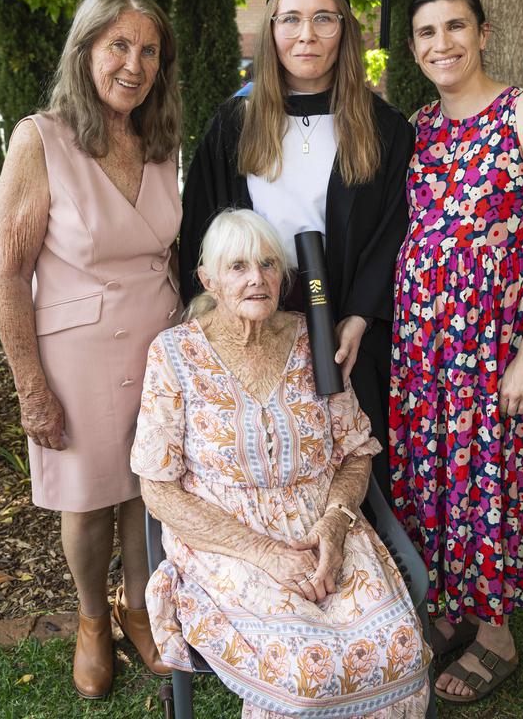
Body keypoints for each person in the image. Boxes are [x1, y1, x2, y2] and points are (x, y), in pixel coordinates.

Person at [132, 208, 431, 719]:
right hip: (227, 540)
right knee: (306, 671)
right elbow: (158, 489)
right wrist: (266, 554)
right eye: (239, 266)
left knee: (398, 649)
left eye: (269, 264)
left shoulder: (312, 340)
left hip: (323, 522)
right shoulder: (175, 354)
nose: (257, 278)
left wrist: (335, 525)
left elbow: (356, 451)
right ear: (208, 279)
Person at [389, 0, 523, 703]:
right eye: (428, 33)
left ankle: (496, 634)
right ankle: (455, 609)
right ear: (414, 48)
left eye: (456, 27)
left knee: (497, 488)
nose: (444, 44)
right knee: (443, 488)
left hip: (503, 350)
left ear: (482, 33)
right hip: (432, 357)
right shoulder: (418, 129)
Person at [0, 0, 182, 698]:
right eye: (119, 46)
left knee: (146, 489)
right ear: (86, 51)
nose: (134, 63)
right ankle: (93, 619)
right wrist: (30, 388)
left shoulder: (161, 140)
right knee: (87, 499)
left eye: (149, 50)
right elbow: (7, 275)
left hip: (159, 348)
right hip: (77, 354)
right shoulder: (40, 138)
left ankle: (140, 607)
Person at [179, 0, 414, 500]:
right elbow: (200, 231)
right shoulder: (234, 124)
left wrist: (359, 315)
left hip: (345, 333)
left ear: (345, 30)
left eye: (324, 18)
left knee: (352, 466)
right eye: (290, 18)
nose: (305, 35)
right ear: (271, 29)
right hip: (253, 323)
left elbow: (394, 233)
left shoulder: (384, 129)